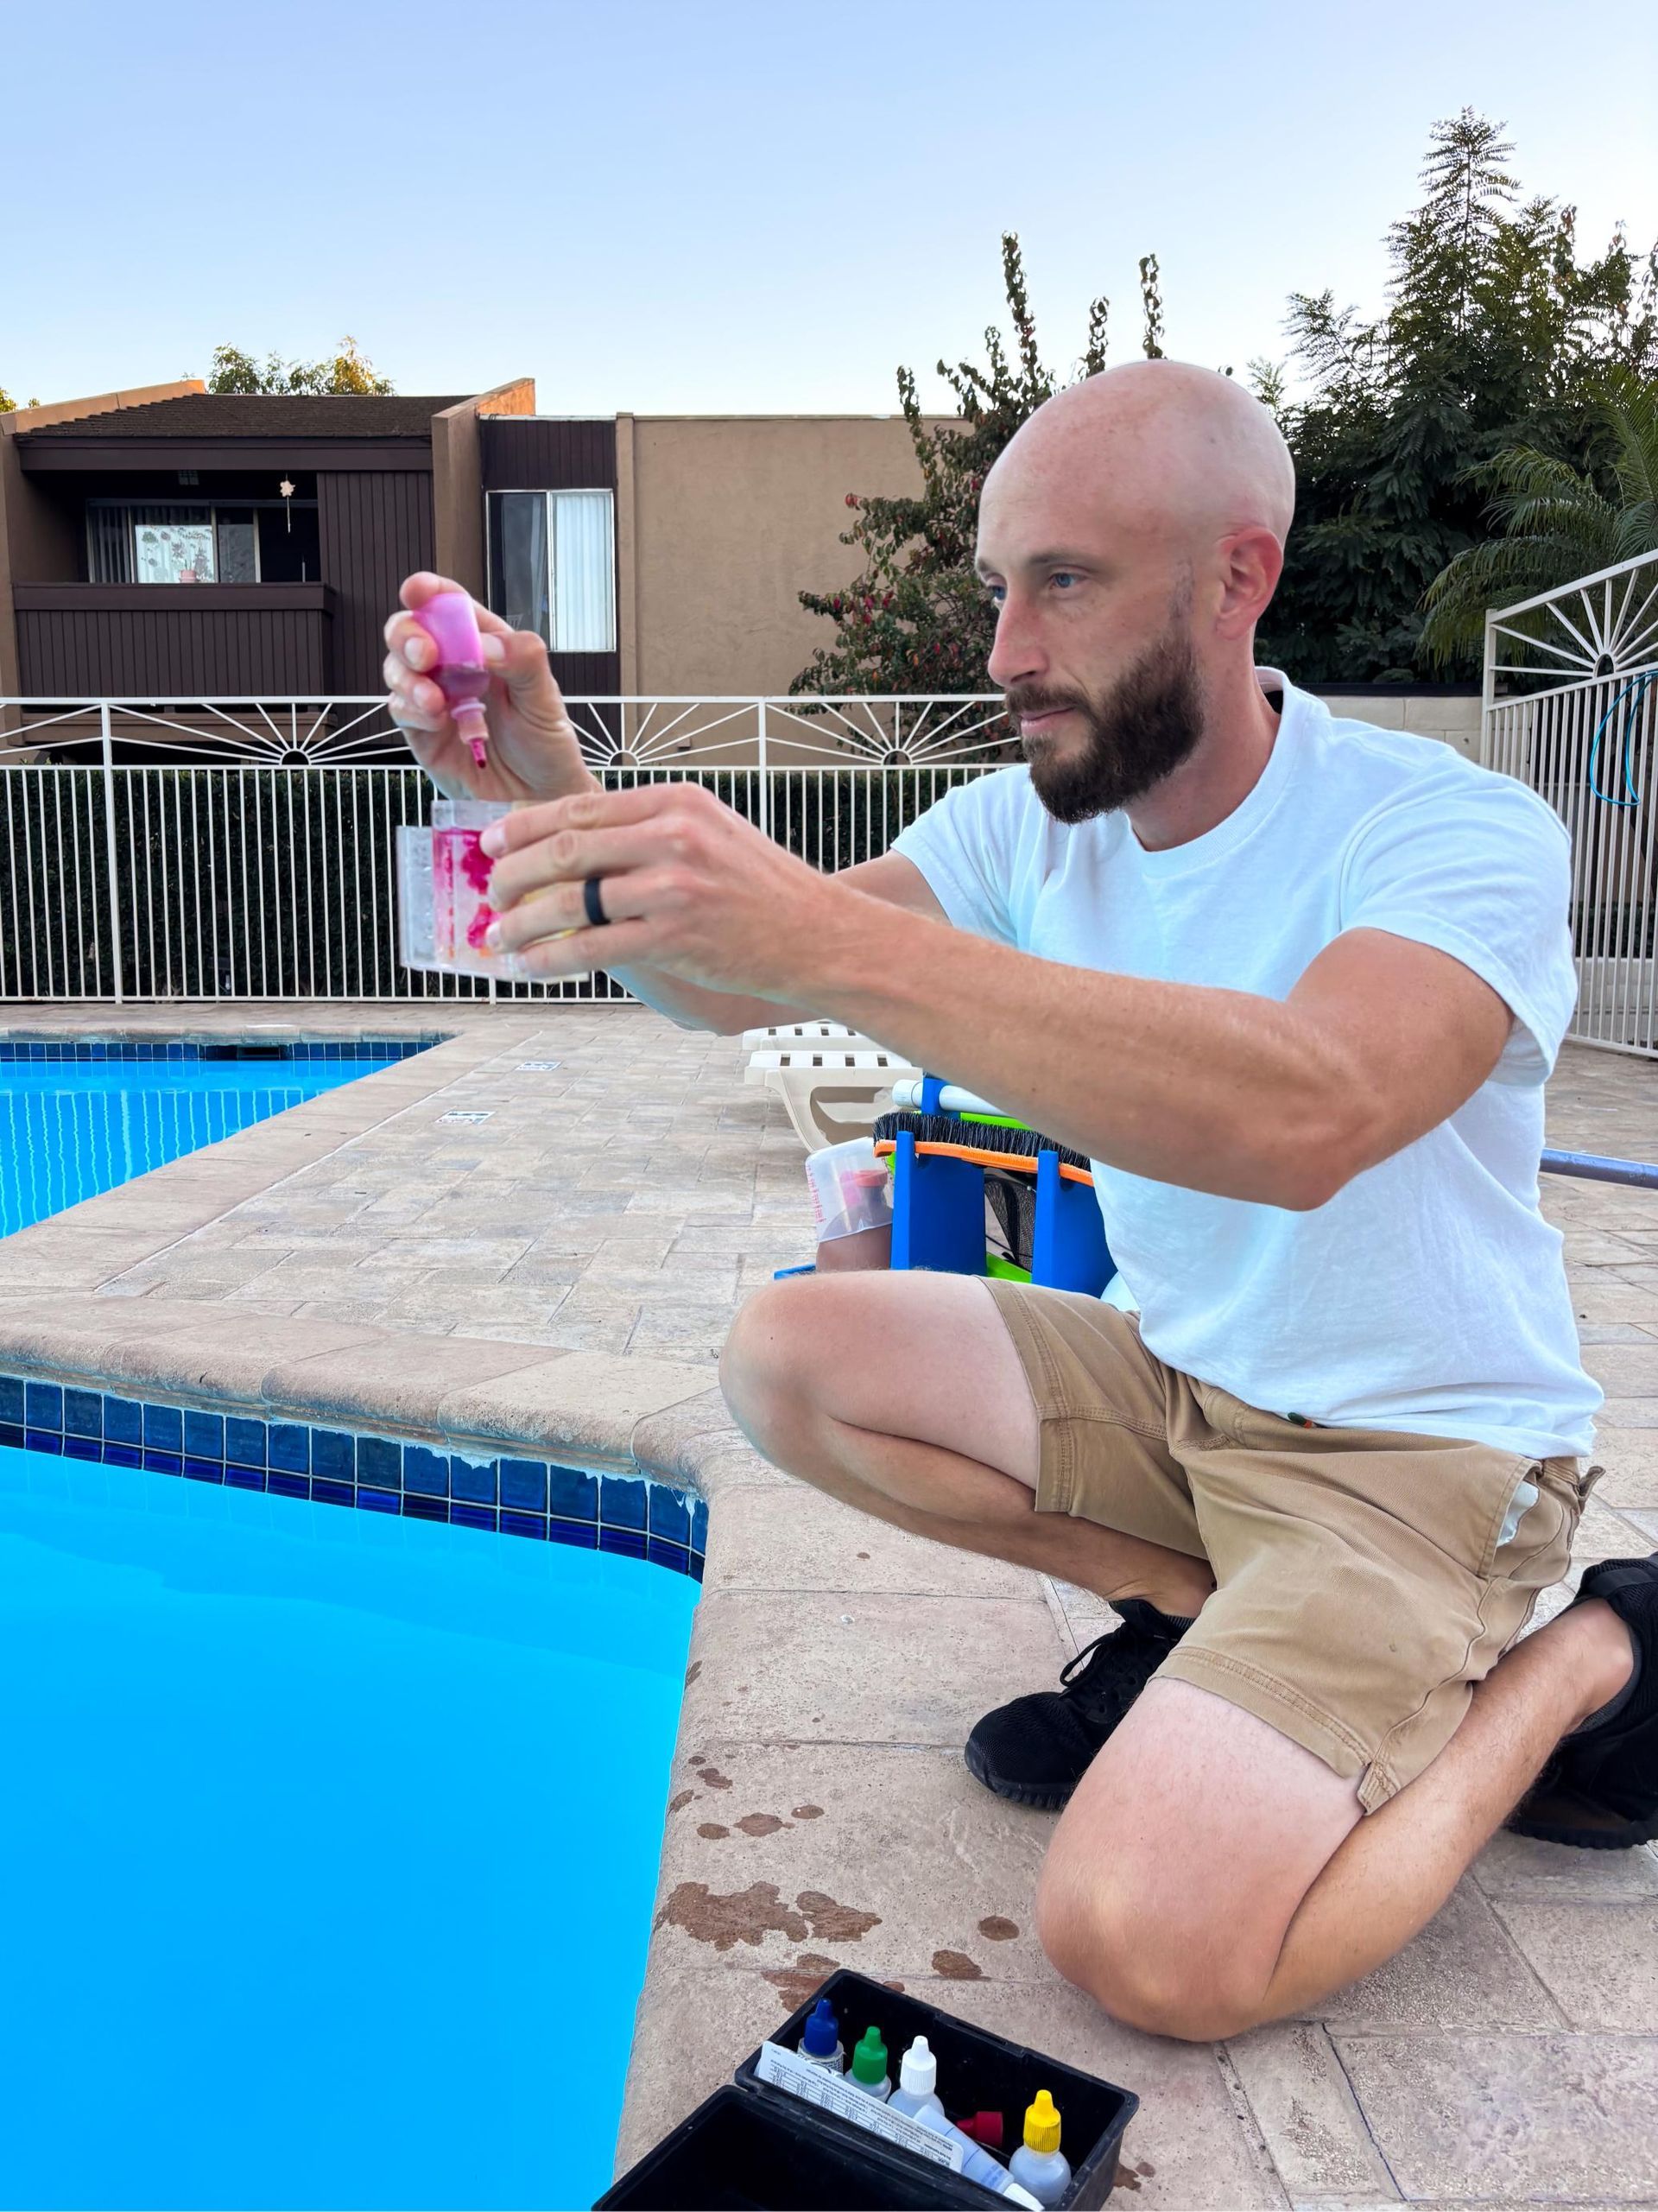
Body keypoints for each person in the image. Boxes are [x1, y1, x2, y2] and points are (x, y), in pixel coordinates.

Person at [383, 360, 1656, 2043]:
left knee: (1151, 1950)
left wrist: (825, 938)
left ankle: (1584, 1656)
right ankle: (1205, 1626)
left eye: (1064, 581)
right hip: (1187, 1390)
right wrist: (538, 779)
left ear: (1237, 576)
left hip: (1425, 1460)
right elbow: (733, 990)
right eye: (1000, 586)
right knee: (793, 1353)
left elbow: (1314, 1107)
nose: (1005, 653)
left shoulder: (1448, 829)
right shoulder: (1030, 831)